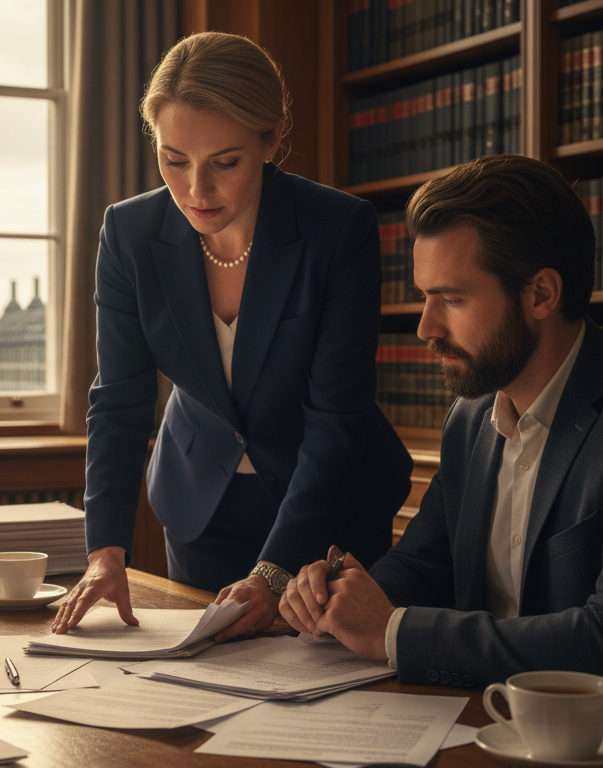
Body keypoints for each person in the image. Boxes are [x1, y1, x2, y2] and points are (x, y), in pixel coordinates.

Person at [280, 154, 603, 732]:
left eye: (452, 299)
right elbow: (427, 564)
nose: (426, 327)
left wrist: (391, 631)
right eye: (424, 297)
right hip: (504, 729)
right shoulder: (470, 419)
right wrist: (338, 600)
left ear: (541, 293)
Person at [52, 32, 412, 642]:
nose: (196, 190)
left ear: (271, 140)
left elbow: (336, 416)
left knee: (328, 698)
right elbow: (119, 399)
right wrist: (105, 551)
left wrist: (272, 575)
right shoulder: (129, 234)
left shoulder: (336, 229)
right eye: (174, 160)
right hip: (201, 504)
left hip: (326, 506)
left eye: (225, 162)